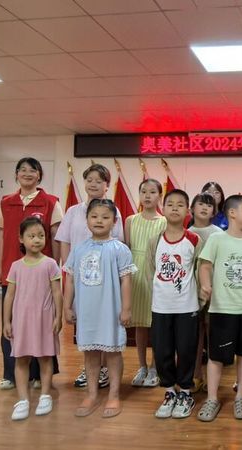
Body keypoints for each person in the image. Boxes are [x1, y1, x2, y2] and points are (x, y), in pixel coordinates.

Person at [63, 199, 136, 418]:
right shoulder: (79, 249)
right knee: (90, 354)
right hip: (87, 311)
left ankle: (114, 394)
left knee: (112, 353)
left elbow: (126, 280)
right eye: (94, 216)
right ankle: (92, 394)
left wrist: (126, 308)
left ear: (114, 221)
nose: (99, 221)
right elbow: (69, 279)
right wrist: (67, 306)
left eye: (105, 217)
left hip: (111, 311)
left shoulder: (120, 249)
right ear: (86, 220)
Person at [0, 157, 63, 390]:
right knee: (12, 322)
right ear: (16, 175)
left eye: (32, 170)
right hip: (13, 271)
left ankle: (40, 374)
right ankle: (10, 374)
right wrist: (0, 266)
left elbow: (56, 237)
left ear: (39, 175)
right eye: (22, 170)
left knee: (42, 323)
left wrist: (56, 266)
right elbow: (2, 236)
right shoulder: (6, 202)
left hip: (42, 273)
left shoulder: (50, 202)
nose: (27, 173)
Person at [56, 163, 124, 389]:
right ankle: (90, 368)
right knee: (85, 321)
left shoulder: (114, 211)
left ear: (107, 185)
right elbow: (65, 241)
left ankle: (104, 368)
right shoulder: (73, 211)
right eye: (89, 180)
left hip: (105, 279)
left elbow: (119, 242)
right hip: (80, 277)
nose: (93, 184)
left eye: (99, 180)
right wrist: (68, 269)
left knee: (105, 322)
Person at [197, 195, 242, 422]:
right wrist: (205, 285)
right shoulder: (217, 239)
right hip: (221, 309)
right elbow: (205, 266)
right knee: (216, 356)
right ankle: (212, 398)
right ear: (232, 213)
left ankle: (241, 397)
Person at [145, 189, 202, 419]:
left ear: (188, 211)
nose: (175, 208)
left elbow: (200, 271)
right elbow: (150, 271)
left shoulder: (194, 240)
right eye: (170, 204)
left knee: (186, 350)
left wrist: (199, 300)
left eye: (180, 204)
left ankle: (186, 392)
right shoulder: (155, 240)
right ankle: (169, 390)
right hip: (161, 307)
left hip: (187, 307)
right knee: (162, 350)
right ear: (163, 208)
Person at [3, 217, 63, 420]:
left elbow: (57, 292)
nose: (37, 240)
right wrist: (7, 321)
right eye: (31, 236)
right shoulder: (16, 266)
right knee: (21, 359)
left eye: (41, 235)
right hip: (21, 321)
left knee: (45, 358)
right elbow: (9, 296)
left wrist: (58, 317)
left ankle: (45, 395)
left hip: (44, 320)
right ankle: (23, 400)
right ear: (21, 238)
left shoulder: (50, 264)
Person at [124, 179, 166, 388]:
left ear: (160, 195)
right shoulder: (130, 220)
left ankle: (155, 367)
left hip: (155, 273)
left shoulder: (164, 222)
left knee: (156, 324)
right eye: (143, 192)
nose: (147, 196)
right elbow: (126, 248)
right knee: (139, 324)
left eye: (152, 192)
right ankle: (142, 366)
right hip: (134, 274)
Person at [189, 191, 223, 393]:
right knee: (195, 334)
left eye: (209, 205)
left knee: (213, 332)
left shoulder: (218, 233)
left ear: (214, 211)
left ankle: (213, 378)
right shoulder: (187, 232)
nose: (204, 208)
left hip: (214, 289)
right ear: (192, 208)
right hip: (190, 290)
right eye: (200, 204)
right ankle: (196, 374)